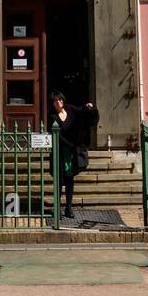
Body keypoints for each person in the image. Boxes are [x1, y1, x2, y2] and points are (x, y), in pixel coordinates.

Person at [50, 91, 99, 219]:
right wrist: (70, 145)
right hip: (60, 153)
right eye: (55, 101)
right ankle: (57, 209)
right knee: (59, 182)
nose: (58, 102)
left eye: (60, 100)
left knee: (70, 181)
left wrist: (89, 106)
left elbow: (82, 111)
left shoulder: (70, 109)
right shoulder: (52, 117)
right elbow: (58, 137)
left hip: (72, 153)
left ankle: (68, 208)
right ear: (53, 104)